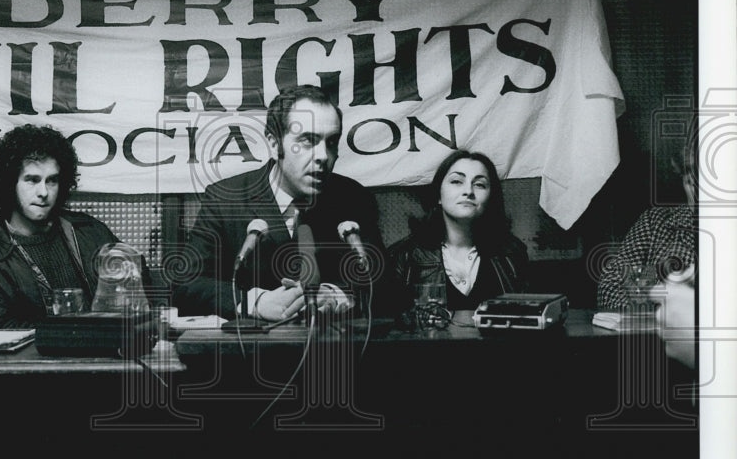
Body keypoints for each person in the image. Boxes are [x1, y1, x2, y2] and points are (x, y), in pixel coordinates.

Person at [172, 85, 387, 321]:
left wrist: (337, 297)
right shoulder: (225, 198)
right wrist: (254, 302)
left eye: (332, 142)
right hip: (251, 353)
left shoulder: (352, 197)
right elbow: (186, 285)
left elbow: (389, 285)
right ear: (274, 144)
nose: (323, 156)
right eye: (308, 141)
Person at [0, 124, 150, 328]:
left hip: (106, 355)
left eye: (52, 181)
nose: (43, 192)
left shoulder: (90, 231)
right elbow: (1, 331)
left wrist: (131, 283)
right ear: (8, 184)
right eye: (32, 180)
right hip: (38, 359)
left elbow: (143, 296)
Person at [389, 149, 528, 312]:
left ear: (491, 198)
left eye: (480, 185)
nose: (468, 191)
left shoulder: (512, 253)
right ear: (438, 196)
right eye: (456, 181)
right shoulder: (403, 255)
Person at [596, 140, 697, 310]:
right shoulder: (656, 222)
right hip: (656, 331)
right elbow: (611, 283)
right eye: (690, 182)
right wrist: (653, 312)